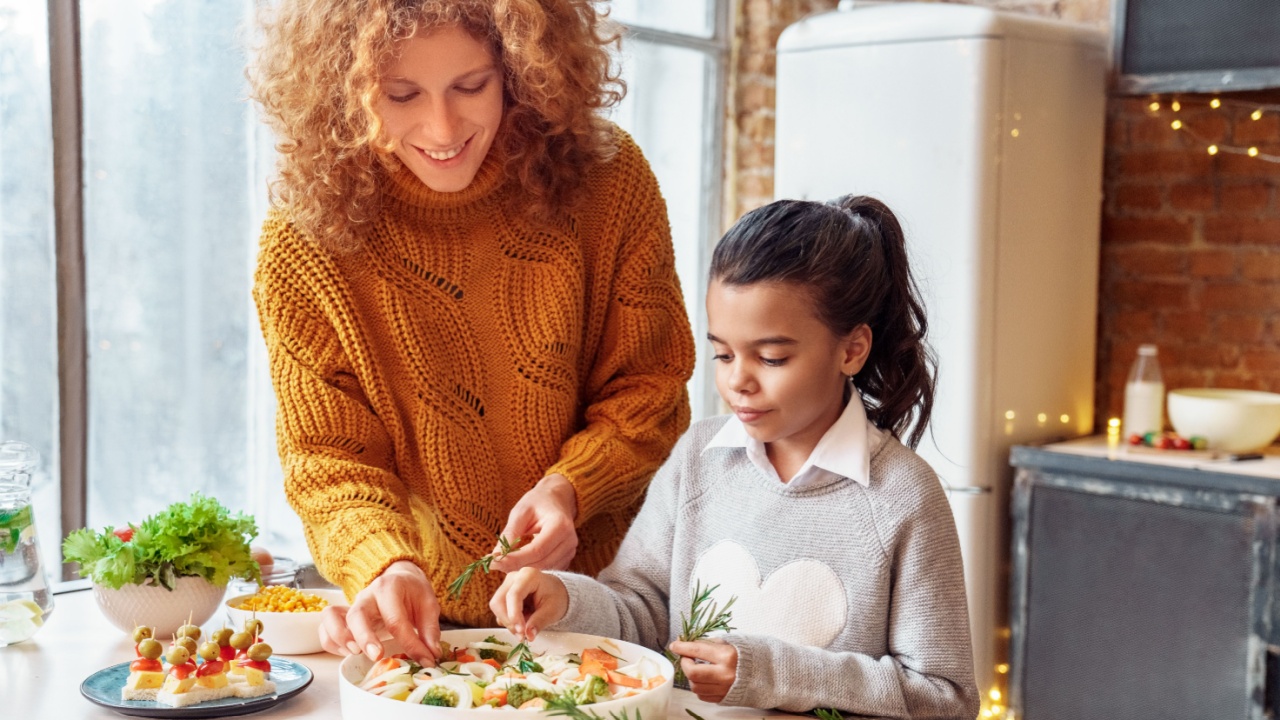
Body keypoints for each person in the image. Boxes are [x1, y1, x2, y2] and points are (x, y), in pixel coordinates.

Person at [247, 0, 695, 667]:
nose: (442, 126)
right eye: (402, 95)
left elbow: (650, 388)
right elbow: (328, 459)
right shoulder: (303, 243)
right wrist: (383, 563)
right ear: (344, 90)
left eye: (471, 86)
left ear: (521, 69)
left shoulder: (609, 181)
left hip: (609, 609)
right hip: (427, 628)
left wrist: (571, 488)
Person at [491, 196, 980, 717]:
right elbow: (641, 611)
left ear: (851, 350)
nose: (737, 381)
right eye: (723, 354)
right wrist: (562, 598)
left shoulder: (903, 497)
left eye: (771, 357)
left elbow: (945, 697)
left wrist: (765, 672)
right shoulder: (698, 458)